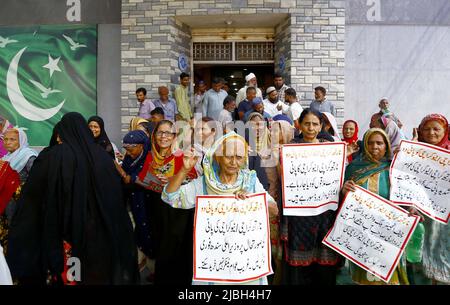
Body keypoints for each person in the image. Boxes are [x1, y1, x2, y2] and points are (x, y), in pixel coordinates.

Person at [6, 112, 139, 285]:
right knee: (90, 272)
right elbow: (114, 197)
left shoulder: (51, 156)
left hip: (61, 233)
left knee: (69, 272)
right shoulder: (101, 157)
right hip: (95, 233)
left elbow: (32, 196)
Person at [161, 131, 278, 285]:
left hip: (246, 261)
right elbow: (170, 197)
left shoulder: (250, 181)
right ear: (218, 156)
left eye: (239, 157)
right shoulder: (203, 184)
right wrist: (183, 170)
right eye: (229, 156)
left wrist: (252, 200)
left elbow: (274, 210)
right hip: (213, 262)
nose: (234, 162)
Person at [341, 128, 409, 285]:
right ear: (364, 145)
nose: (375, 147)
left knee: (389, 273)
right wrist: (344, 190)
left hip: (389, 229)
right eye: (370, 143)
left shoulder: (394, 168)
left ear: (386, 145)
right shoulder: (352, 168)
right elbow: (342, 201)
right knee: (364, 275)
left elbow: (406, 195)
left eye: (379, 143)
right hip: (362, 230)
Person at [281, 108, 341, 285]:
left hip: (324, 214)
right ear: (299, 125)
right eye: (307, 123)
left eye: (315, 124)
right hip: (299, 215)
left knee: (323, 264)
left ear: (321, 126)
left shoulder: (330, 149)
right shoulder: (290, 148)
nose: (311, 128)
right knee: (300, 268)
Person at [135, 120, 198, 284]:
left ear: (174, 136)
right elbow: (142, 179)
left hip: (178, 212)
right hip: (156, 208)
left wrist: (171, 180)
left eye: (168, 133)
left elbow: (192, 178)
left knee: (176, 247)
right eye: (160, 133)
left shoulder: (181, 155)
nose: (163, 137)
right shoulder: (150, 155)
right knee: (161, 246)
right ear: (154, 135)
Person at [414, 114, 450, 284]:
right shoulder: (413, 154)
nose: (431, 133)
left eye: (436, 129)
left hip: (445, 217)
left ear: (445, 131)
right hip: (421, 214)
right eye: (427, 129)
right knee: (422, 255)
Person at [116, 130, 154, 281]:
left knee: (148, 233)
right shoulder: (129, 158)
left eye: (131, 149)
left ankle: (151, 267)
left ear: (141, 146)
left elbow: (141, 180)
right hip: (133, 202)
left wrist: (123, 174)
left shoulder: (149, 159)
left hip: (146, 203)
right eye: (126, 149)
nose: (129, 153)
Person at [0, 128, 38, 250]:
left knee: (18, 233)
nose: (8, 142)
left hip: (21, 202)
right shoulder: (5, 158)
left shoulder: (28, 156)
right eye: (5, 139)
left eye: (12, 139)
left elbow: (36, 179)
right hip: (5, 202)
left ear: (21, 141)